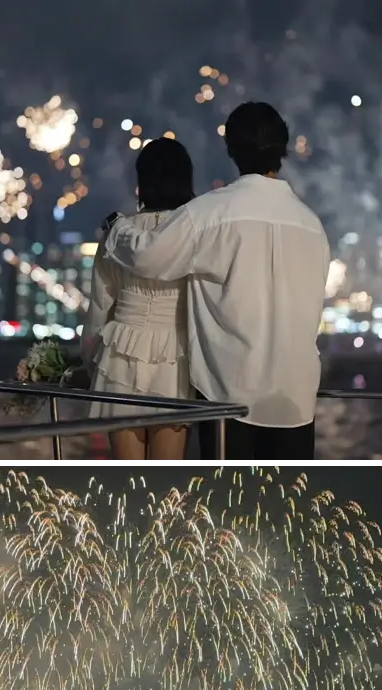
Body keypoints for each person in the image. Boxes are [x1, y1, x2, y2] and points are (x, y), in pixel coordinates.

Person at [103, 101, 330, 464]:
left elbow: (149, 258)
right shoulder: (310, 224)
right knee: (290, 512)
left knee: (230, 511)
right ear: (282, 149)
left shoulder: (209, 213)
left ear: (231, 150)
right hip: (295, 398)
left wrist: (117, 227)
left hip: (229, 395)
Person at [80, 137, 196, 463]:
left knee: (127, 484)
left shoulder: (119, 232)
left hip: (120, 352)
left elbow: (100, 306)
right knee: (167, 486)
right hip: (174, 355)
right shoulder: (192, 233)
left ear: (141, 181)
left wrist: (86, 361)